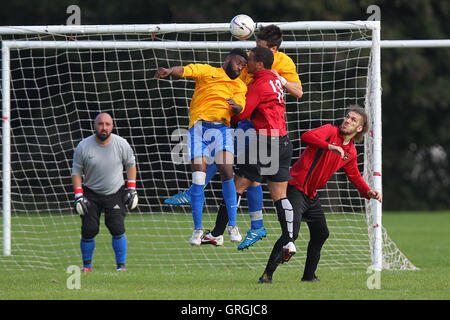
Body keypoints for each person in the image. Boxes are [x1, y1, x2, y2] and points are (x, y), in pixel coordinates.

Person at [165, 24, 303, 249]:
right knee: (249, 177)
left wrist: (280, 79)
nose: (249, 55)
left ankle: (215, 215)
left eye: (257, 49)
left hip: (254, 124)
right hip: (271, 131)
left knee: (236, 174)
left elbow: (298, 91)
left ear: (271, 51)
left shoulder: (276, 68)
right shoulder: (254, 68)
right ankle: (265, 231)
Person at [258, 106, 383, 284]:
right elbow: (306, 136)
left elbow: (354, 175)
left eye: (353, 120)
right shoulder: (330, 131)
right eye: (347, 117)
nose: (347, 120)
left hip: (311, 196)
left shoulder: (351, 152)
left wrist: (368, 191)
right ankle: (266, 275)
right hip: (295, 189)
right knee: (291, 234)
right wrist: (329, 146)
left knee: (321, 233)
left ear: (359, 129)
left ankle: (309, 276)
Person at [202, 47, 296, 260]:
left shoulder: (259, 84)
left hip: (265, 142)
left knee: (235, 188)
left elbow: (242, 114)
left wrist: (231, 110)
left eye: (250, 60)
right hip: (283, 141)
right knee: (280, 195)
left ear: (260, 63)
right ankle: (289, 239)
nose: (247, 64)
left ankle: (216, 234)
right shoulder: (274, 80)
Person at [154, 48, 249, 246]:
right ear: (228, 58)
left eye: (243, 66)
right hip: (198, 129)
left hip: (222, 129)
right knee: (199, 176)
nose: (240, 67)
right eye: (238, 62)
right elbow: (186, 70)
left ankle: (232, 225)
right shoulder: (207, 71)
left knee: (226, 169)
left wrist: (236, 107)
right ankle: (197, 229)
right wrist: (170, 71)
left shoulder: (240, 85)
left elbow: (241, 107)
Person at [71, 112, 138, 272]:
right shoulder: (83, 146)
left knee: (117, 227)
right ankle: (87, 266)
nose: (103, 127)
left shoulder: (121, 144)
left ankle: (121, 267)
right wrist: (78, 195)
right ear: (95, 126)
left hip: (115, 192)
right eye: (100, 124)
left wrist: (132, 188)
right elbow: (76, 172)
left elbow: (130, 164)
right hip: (90, 193)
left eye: (107, 124)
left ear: (112, 127)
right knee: (89, 230)